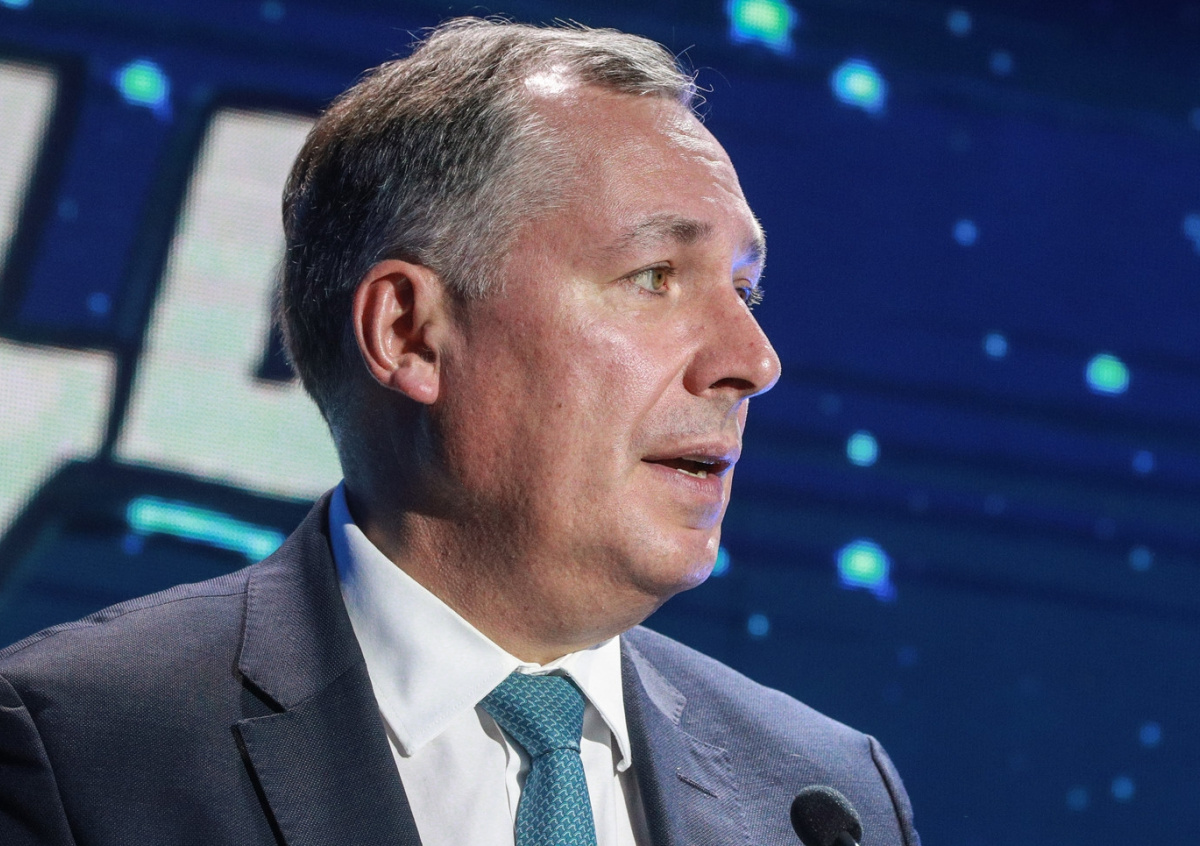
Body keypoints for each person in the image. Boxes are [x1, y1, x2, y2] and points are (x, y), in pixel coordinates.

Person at [0, 18, 920, 846]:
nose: (753, 360)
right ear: (410, 333)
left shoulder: (824, 800)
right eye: (654, 276)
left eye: (745, 289)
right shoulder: (83, 753)